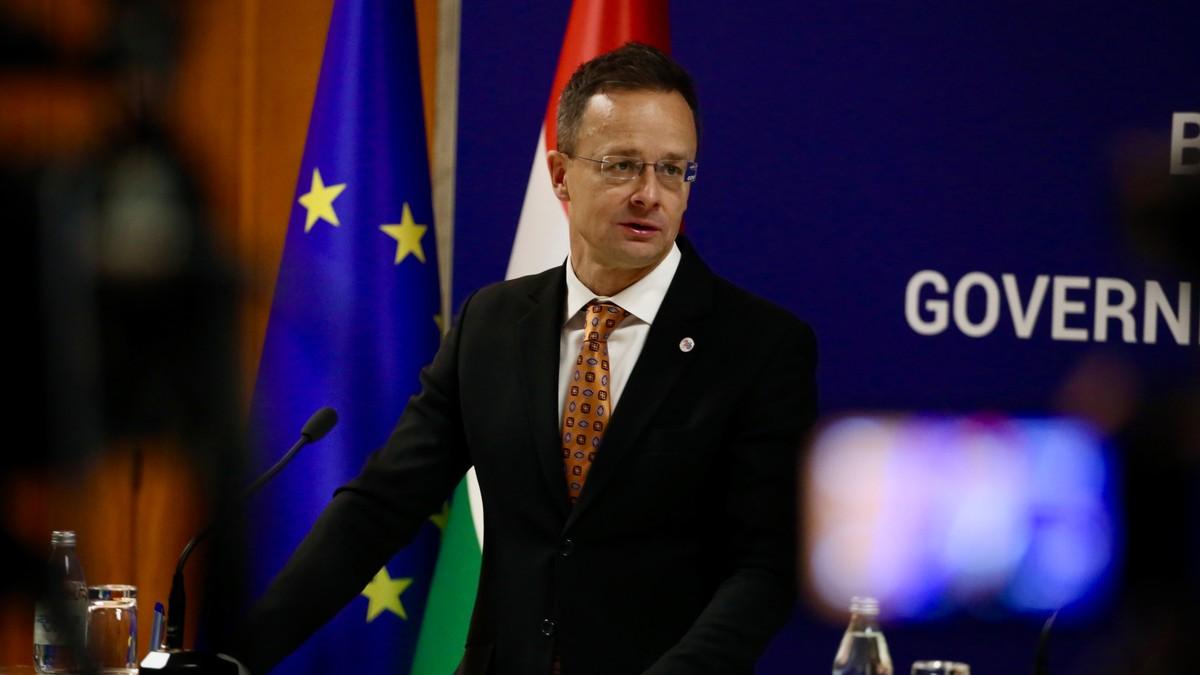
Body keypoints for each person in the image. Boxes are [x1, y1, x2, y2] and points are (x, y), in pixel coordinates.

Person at [232, 42, 817, 675]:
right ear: (561, 174)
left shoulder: (758, 347)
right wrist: (235, 655)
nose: (651, 194)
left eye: (673, 170)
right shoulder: (492, 325)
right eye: (622, 165)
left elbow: (765, 567)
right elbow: (381, 507)